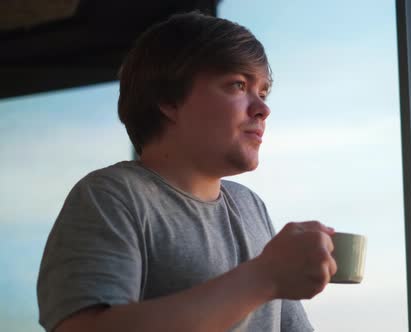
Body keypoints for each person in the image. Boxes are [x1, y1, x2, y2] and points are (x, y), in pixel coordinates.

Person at [36, 11, 337, 332]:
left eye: (263, 92)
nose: (263, 109)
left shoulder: (251, 207)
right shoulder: (110, 196)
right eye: (238, 85)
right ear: (169, 99)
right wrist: (263, 276)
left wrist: (275, 273)